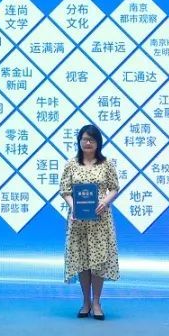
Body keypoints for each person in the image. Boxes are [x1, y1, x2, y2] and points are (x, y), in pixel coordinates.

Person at [59, 124, 119, 320]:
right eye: (84, 139)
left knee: (98, 261)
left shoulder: (106, 164)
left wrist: (105, 202)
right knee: (83, 260)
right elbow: (65, 190)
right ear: (79, 141)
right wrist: (74, 206)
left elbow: (114, 188)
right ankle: (85, 301)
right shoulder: (71, 164)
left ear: (98, 143)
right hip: (78, 220)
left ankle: (97, 302)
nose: (87, 143)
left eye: (91, 140)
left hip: (100, 219)